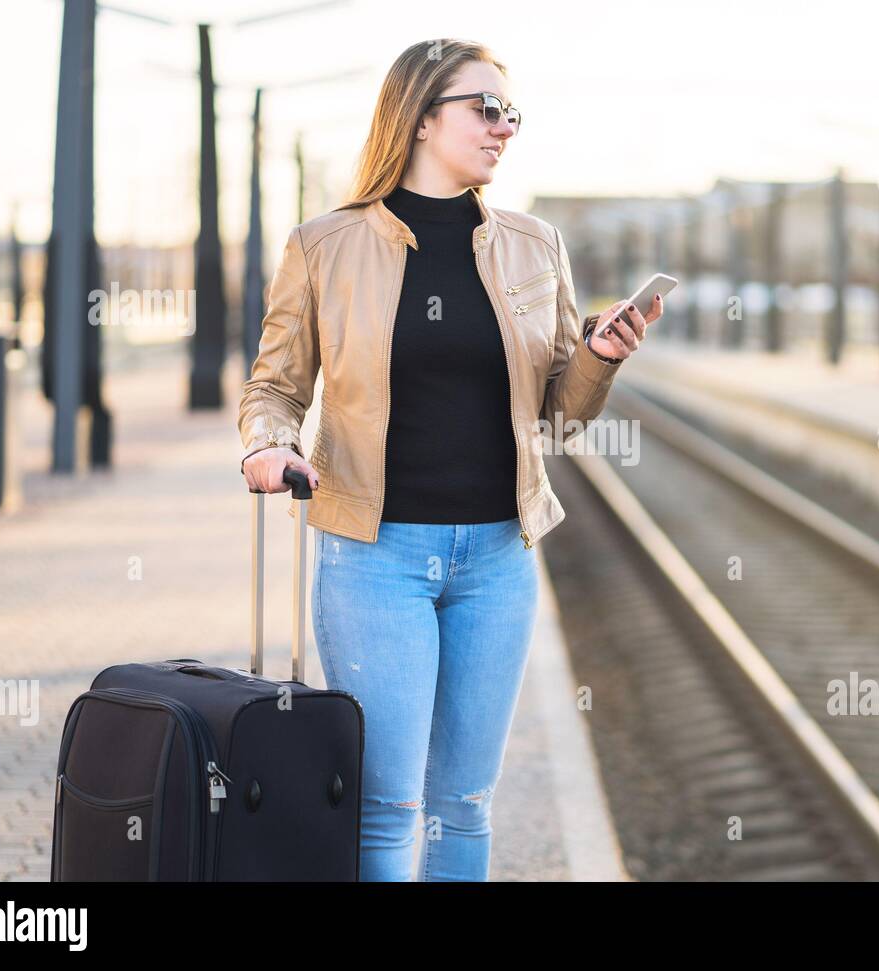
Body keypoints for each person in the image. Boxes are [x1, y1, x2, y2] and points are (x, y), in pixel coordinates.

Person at [237, 38, 662, 881]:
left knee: (464, 805)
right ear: (424, 116)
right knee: (390, 805)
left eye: (512, 113)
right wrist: (266, 446)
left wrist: (600, 357)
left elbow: (559, 412)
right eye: (486, 108)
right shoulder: (325, 245)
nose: (505, 128)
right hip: (374, 555)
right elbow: (276, 385)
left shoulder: (534, 245)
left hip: (498, 560)